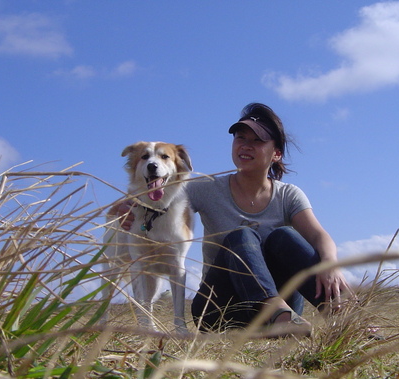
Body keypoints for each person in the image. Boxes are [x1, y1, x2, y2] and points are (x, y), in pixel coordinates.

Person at [114, 102, 353, 335]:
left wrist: (330, 263)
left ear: (276, 153)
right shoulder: (207, 187)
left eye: (257, 141)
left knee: (285, 236)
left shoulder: (288, 194)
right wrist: (126, 208)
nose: (245, 146)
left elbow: (319, 235)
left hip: (284, 307)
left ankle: (348, 319)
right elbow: (155, 195)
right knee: (242, 235)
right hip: (219, 308)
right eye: (240, 138)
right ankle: (276, 312)